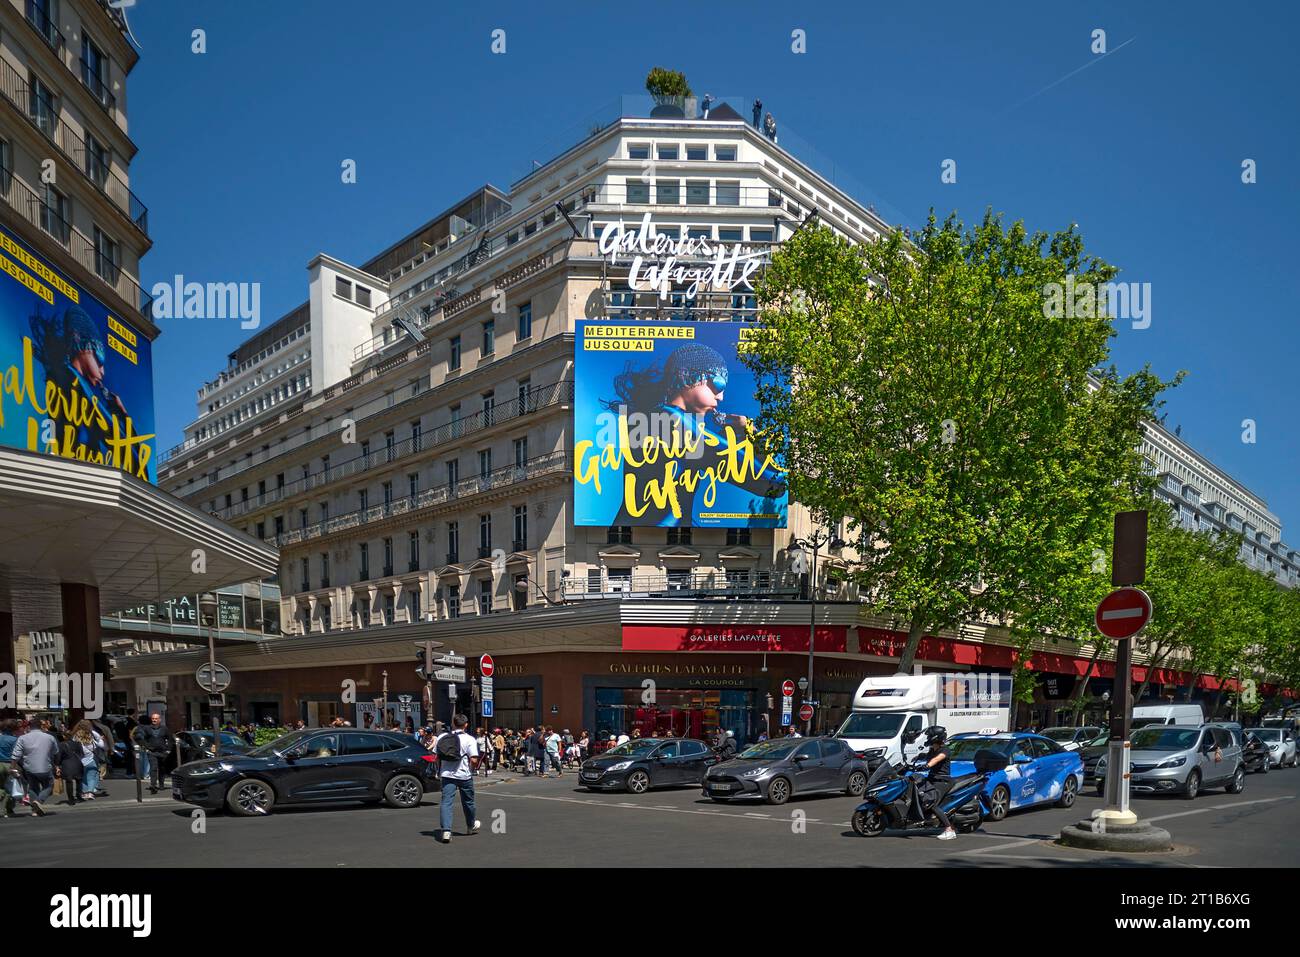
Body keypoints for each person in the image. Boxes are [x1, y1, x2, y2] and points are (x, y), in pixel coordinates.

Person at [599, 343, 785, 527]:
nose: (720, 397)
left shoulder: (648, 417)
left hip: (633, 532)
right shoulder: (679, 425)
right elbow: (772, 483)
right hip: (663, 539)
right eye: (718, 384)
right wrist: (749, 431)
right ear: (687, 376)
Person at [433, 714, 480, 843]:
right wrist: (471, 769)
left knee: (446, 803)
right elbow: (474, 759)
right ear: (466, 725)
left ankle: (446, 831)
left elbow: (436, 758)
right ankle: (470, 826)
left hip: (447, 775)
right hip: (464, 775)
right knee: (468, 802)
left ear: (453, 724)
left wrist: (439, 771)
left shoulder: (442, 737)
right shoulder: (470, 739)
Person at [11, 717, 59, 816]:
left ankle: (34, 811)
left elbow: (16, 754)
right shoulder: (49, 737)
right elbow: (55, 752)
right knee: (49, 785)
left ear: (29, 727)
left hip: (29, 767)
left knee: (33, 788)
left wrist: (12, 767)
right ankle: (38, 801)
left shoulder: (23, 738)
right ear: (41, 726)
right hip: (45, 766)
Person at [918, 727, 955, 840]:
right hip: (931, 779)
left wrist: (927, 765)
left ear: (935, 738)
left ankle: (949, 829)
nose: (928, 738)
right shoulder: (932, 749)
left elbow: (937, 759)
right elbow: (928, 757)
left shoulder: (945, 750)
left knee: (931, 803)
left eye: (929, 736)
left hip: (942, 781)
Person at [133, 712, 171, 794]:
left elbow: (170, 739)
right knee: (153, 768)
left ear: (159, 720)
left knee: (162, 768)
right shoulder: (147, 728)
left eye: (156, 719)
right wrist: (146, 746)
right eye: (153, 718)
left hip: (162, 752)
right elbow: (137, 737)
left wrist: (168, 749)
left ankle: (161, 784)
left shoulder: (164, 729)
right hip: (152, 752)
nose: (154, 720)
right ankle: (153, 785)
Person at [56, 728, 87, 805]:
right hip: (77, 763)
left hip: (67, 764)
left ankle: (71, 799)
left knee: (69, 781)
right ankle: (79, 796)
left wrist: (57, 765)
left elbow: (58, 756)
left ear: (64, 736)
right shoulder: (78, 743)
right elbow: (82, 754)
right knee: (79, 780)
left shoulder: (61, 744)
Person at [0, 719, 19, 817]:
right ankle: (8, 809)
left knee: (1, 786)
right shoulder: (14, 740)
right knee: (10, 788)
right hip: (9, 764)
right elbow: (16, 754)